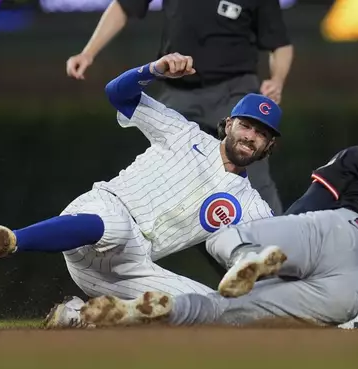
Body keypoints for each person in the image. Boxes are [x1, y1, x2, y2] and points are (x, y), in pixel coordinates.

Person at [0, 53, 358, 330]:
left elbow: (278, 272)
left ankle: (76, 315)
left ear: (270, 147)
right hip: (98, 218)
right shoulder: (182, 132)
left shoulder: (253, 207)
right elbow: (117, 93)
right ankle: (14, 239)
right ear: (228, 124)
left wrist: (335, 309)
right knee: (112, 225)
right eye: (246, 124)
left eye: (261, 133)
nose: (250, 136)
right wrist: (152, 70)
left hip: (124, 268)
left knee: (210, 308)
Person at [73, 96, 358, 328]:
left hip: (342, 231)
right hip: (355, 289)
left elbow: (310, 207)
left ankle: (249, 258)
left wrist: (278, 239)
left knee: (225, 234)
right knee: (230, 316)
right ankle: (136, 313)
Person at [65, 0, 293, 214]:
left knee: (252, 177)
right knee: (170, 182)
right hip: (179, 92)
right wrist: (88, 52)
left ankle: (273, 249)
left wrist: (278, 80)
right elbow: (123, 6)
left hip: (234, 93)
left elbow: (280, 43)